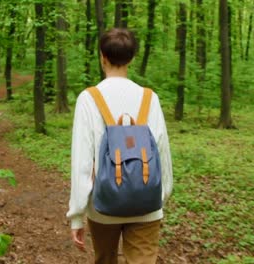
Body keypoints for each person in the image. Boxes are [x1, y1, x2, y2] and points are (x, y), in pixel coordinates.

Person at [66, 28, 173, 264]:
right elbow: (162, 151)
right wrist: (161, 197)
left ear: (102, 56)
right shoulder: (149, 98)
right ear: (132, 58)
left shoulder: (89, 98)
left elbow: (82, 160)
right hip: (147, 205)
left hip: (103, 207)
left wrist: (77, 215)